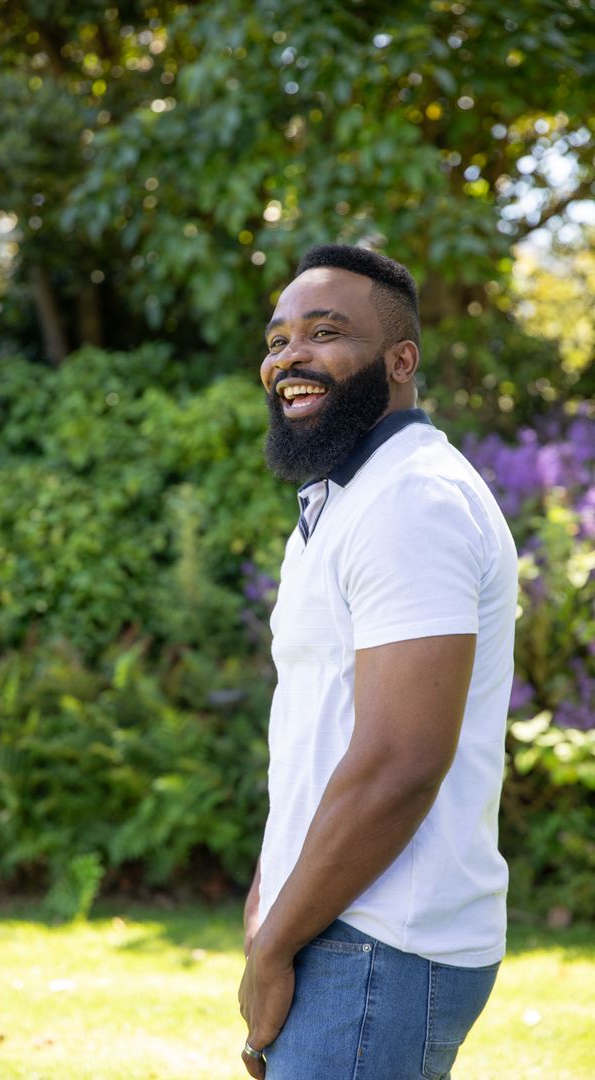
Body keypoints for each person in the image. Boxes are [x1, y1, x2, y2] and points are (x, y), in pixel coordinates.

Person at [238, 244, 518, 1080]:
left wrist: (272, 951)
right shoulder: (341, 501)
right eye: (279, 338)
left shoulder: (413, 502)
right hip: (340, 924)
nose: (290, 356)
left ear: (401, 361)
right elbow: (321, 726)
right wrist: (269, 889)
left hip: (380, 943)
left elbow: (400, 762)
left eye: (324, 333)